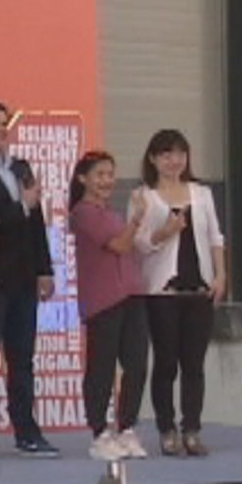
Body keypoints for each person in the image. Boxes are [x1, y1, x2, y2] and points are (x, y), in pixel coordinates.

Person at [0, 100, 59, 458]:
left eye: (3, 123)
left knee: (22, 357)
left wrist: (45, 269)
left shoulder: (21, 168)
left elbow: (35, 222)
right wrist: (22, 205)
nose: (0, 129)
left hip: (23, 276)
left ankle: (26, 430)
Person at [133, 129, 226, 458]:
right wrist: (166, 232)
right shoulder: (144, 196)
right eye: (167, 154)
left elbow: (215, 236)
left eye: (180, 154)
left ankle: (192, 429)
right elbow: (139, 244)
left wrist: (220, 274)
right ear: (153, 159)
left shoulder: (201, 193)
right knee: (166, 362)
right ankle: (166, 428)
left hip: (198, 287)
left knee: (194, 364)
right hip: (163, 291)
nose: (175, 161)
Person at [68, 151, 151, 462]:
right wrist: (137, 219)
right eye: (99, 175)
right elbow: (120, 244)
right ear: (83, 179)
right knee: (101, 367)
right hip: (103, 299)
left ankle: (127, 427)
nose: (106, 181)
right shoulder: (83, 213)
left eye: (110, 175)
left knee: (137, 363)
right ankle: (99, 431)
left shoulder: (111, 213)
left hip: (131, 294)